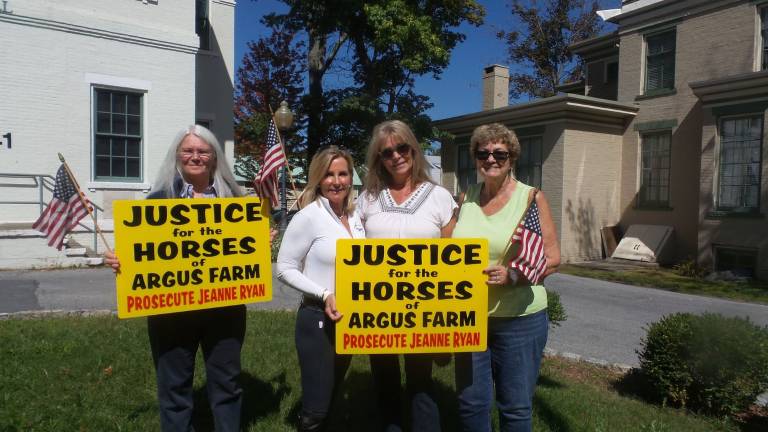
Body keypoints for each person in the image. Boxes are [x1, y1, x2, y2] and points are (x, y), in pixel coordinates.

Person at [104, 125, 247, 432]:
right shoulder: (157, 201)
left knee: (227, 383)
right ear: (177, 156)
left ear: (214, 157)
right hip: (170, 311)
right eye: (188, 150)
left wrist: (260, 238)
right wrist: (122, 260)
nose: (195, 156)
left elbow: (245, 248)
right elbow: (142, 250)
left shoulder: (234, 200)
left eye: (203, 151)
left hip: (225, 311)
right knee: (174, 387)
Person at [452, 123, 560, 432]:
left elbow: (552, 259)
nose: (490, 159)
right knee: (471, 404)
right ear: (475, 158)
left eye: (499, 153)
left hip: (519, 321)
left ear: (512, 157)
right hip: (470, 319)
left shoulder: (531, 199)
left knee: (514, 407)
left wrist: (514, 276)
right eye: (483, 153)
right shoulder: (464, 200)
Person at [358, 120, 457, 432]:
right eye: (387, 152)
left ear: (414, 150)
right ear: (379, 159)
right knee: (384, 379)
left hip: (422, 308)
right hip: (378, 307)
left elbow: (452, 259)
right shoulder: (368, 198)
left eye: (403, 148)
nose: (396, 156)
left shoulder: (439, 196)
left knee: (420, 381)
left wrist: (448, 324)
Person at [276, 146, 366, 431]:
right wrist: (325, 293)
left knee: (333, 397)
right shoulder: (308, 216)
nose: (336, 181)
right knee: (316, 408)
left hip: (348, 320)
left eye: (343, 173)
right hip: (317, 319)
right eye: (329, 174)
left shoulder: (355, 216)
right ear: (318, 178)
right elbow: (285, 267)